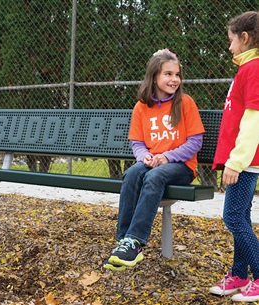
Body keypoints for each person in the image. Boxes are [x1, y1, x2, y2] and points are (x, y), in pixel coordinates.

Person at [103, 48, 205, 272]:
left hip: (181, 166)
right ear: (154, 76)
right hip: (153, 163)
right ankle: (124, 240)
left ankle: (136, 241)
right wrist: (144, 156)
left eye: (177, 74)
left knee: (154, 176)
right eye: (168, 74)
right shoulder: (141, 107)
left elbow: (195, 142)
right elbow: (137, 143)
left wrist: (167, 156)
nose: (174, 79)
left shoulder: (185, 102)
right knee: (132, 173)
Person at [209, 11, 259, 302]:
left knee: (232, 217)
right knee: (239, 216)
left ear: (245, 38)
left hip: (246, 161)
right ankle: (240, 275)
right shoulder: (247, 68)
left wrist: (236, 162)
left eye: (231, 41)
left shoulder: (253, 69)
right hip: (245, 160)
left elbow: (253, 120)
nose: (229, 48)